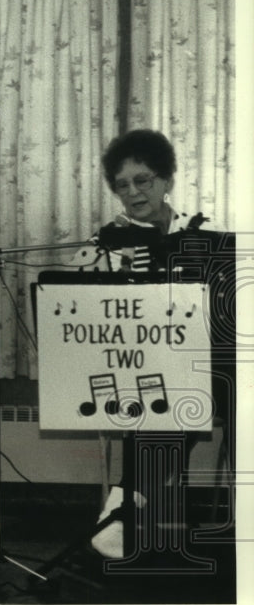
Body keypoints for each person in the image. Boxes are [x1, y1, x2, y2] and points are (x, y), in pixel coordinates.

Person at [68, 129, 231, 558]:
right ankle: (125, 508)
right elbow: (70, 303)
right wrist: (108, 274)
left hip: (212, 364)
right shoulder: (107, 241)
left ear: (166, 180)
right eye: (123, 185)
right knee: (172, 400)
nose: (133, 192)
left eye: (143, 180)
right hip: (139, 368)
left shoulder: (206, 231)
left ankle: (124, 505)